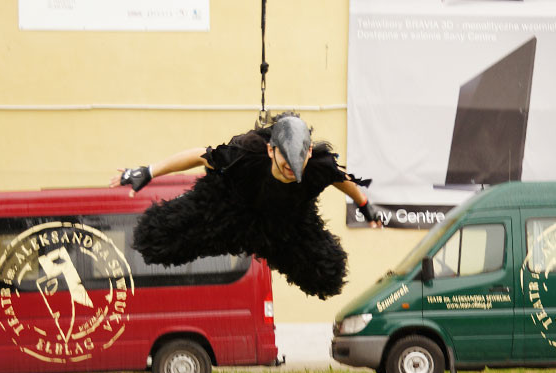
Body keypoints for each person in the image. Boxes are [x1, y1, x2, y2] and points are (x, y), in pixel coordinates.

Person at [110, 112, 380, 299]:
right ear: (271, 150)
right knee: (157, 237)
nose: (291, 171)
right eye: (285, 163)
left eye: (298, 163)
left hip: (286, 220)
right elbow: (198, 155)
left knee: (328, 272)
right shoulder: (245, 156)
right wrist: (148, 171)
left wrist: (364, 205)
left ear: (309, 152)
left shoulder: (319, 167)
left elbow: (342, 180)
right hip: (233, 206)